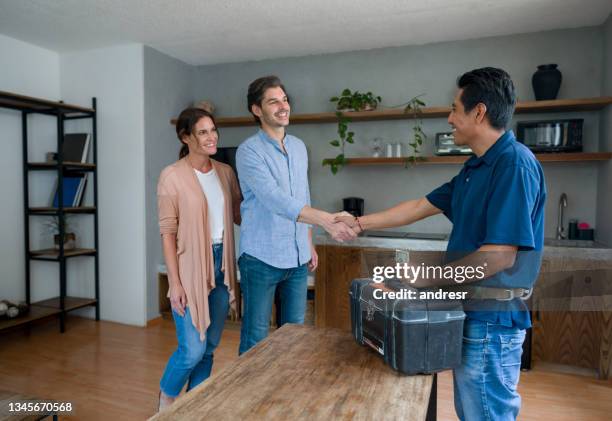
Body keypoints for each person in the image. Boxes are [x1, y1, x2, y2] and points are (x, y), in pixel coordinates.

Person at [337, 67, 546, 421]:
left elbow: (497, 257)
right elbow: (420, 206)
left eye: (454, 108)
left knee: (485, 414)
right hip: (471, 312)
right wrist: (358, 223)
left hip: (492, 321)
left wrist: (426, 277)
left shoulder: (513, 165)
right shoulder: (475, 167)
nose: (449, 118)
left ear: (478, 112)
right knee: (471, 410)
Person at [236, 75, 356, 355]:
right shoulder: (249, 151)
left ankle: (283, 396)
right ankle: (248, 397)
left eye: (285, 99)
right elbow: (275, 200)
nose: (283, 106)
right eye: (273, 101)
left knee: (295, 333)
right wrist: (326, 219)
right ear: (257, 110)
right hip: (261, 258)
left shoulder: (300, 147)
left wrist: (309, 242)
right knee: (255, 337)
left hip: (298, 257)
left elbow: (303, 196)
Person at [157, 108, 242, 410]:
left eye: (213, 130)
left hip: (221, 265)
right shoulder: (172, 176)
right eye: (203, 132)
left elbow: (239, 215)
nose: (212, 137)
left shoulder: (225, 172)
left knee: (209, 348)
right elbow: (167, 232)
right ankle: (167, 399)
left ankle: (194, 407)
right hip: (190, 267)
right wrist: (174, 283)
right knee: (192, 349)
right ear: (186, 137)